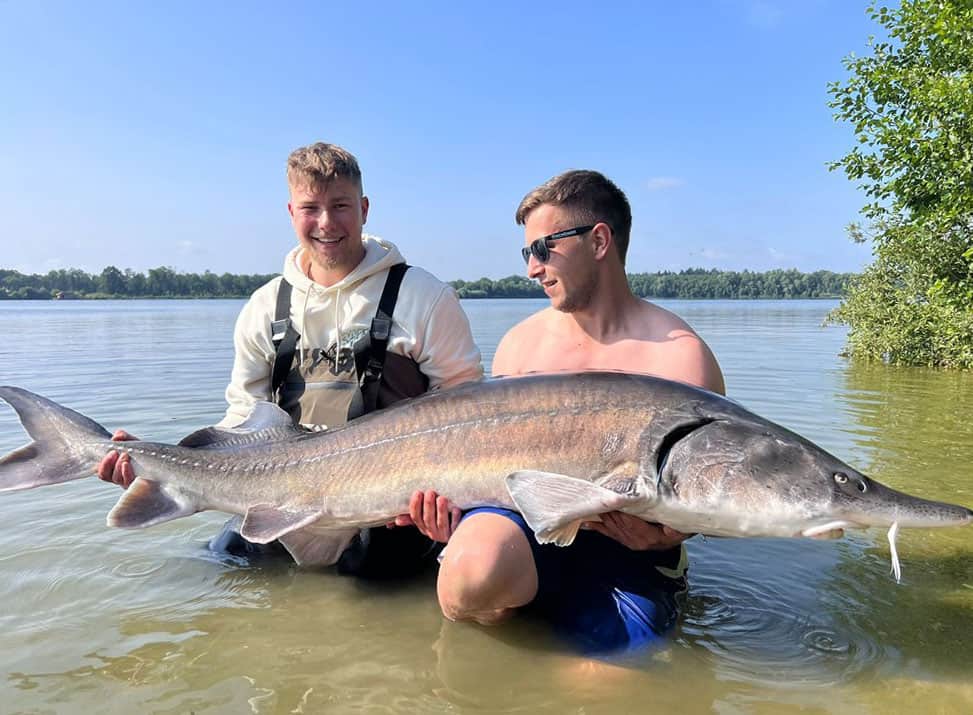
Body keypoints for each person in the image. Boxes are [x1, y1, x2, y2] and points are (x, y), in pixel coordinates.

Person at [98, 142, 483, 576]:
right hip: (282, 495)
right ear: (290, 212)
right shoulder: (265, 305)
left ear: (365, 207)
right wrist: (154, 462)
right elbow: (244, 418)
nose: (326, 223)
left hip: (391, 510)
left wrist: (449, 502)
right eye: (310, 208)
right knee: (214, 570)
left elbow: (466, 414)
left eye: (340, 205)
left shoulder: (425, 297)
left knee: (379, 597)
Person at [404, 169, 725, 655]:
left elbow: (714, 497)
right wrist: (453, 516)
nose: (532, 268)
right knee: (468, 575)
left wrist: (667, 536)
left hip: (629, 558)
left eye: (543, 248)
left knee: (609, 687)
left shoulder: (681, 357)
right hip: (527, 539)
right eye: (527, 252)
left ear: (599, 241)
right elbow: (491, 471)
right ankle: (506, 638)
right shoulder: (520, 345)